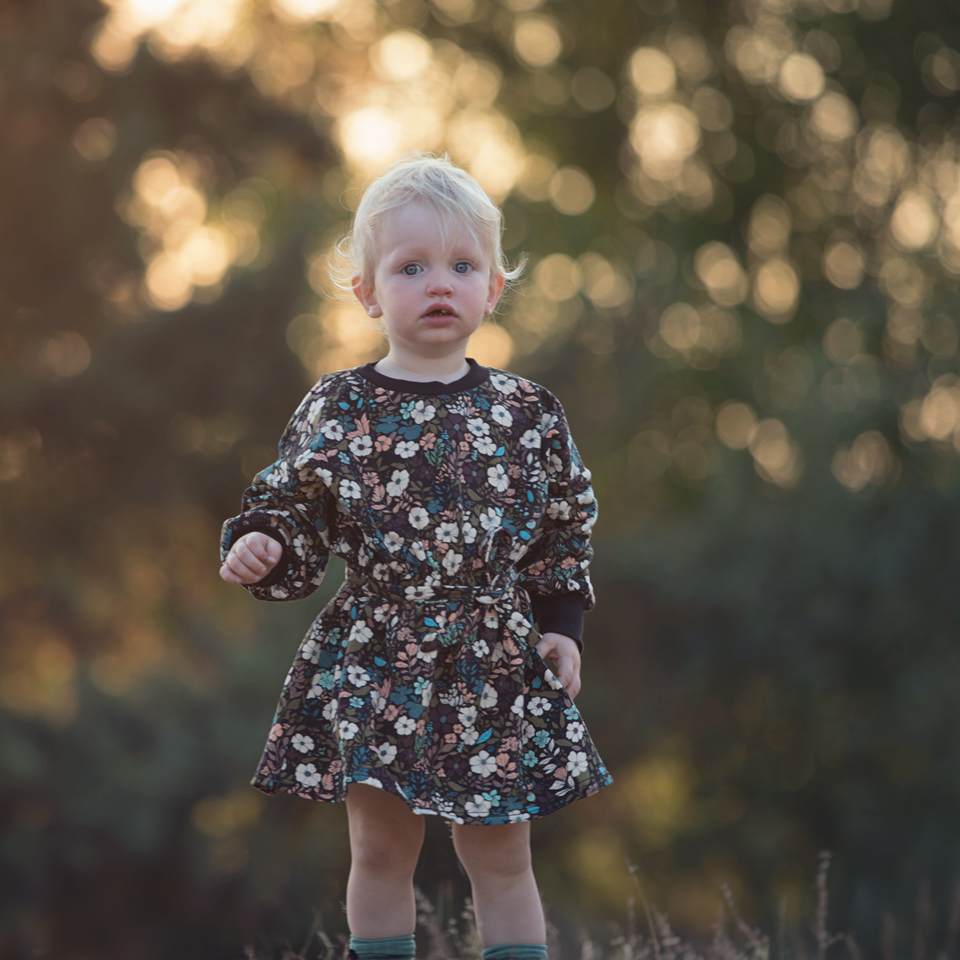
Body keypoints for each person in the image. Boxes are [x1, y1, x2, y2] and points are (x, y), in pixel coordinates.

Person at [219, 154, 612, 960]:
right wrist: (265, 543)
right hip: (378, 652)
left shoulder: (526, 412)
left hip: (492, 652)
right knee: (380, 847)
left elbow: (562, 528)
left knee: (501, 855)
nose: (439, 283)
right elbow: (293, 503)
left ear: (492, 288)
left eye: (462, 266)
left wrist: (561, 626)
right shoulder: (340, 405)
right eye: (411, 267)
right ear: (367, 292)